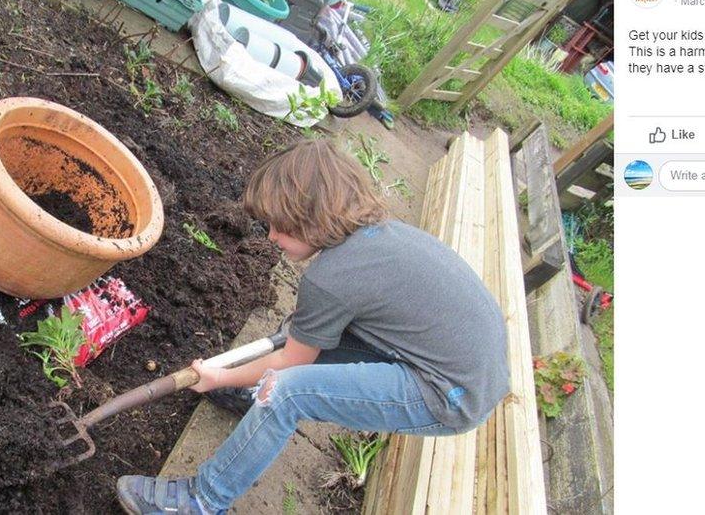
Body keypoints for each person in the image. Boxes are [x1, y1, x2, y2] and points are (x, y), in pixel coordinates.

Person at [115, 139, 509, 514]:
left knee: (287, 393)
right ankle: (252, 393)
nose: (271, 237)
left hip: (449, 394)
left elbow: (290, 364)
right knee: (303, 333)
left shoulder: (331, 276)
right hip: (466, 364)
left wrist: (216, 377)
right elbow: (304, 341)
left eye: (279, 226)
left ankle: (202, 501)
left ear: (311, 219)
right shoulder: (376, 236)